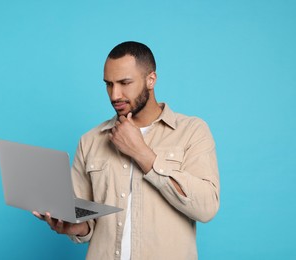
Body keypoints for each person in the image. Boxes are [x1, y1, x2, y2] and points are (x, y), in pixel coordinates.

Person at [33, 41, 220, 260]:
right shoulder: (91, 140)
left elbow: (206, 208)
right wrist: (77, 229)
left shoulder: (192, 131)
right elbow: (86, 221)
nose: (114, 95)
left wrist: (141, 152)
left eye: (124, 83)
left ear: (151, 79)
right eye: (109, 84)